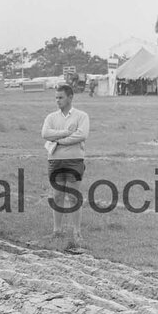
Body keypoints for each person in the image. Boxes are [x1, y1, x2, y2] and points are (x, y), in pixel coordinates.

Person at [41, 84, 90, 252]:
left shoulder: (81, 116)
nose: (57, 101)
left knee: (73, 196)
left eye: (60, 97)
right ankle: (57, 230)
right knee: (57, 195)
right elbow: (45, 134)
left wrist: (59, 140)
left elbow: (81, 135)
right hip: (55, 160)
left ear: (70, 97)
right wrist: (66, 133)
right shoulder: (51, 117)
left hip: (74, 160)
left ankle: (77, 232)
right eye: (56, 97)